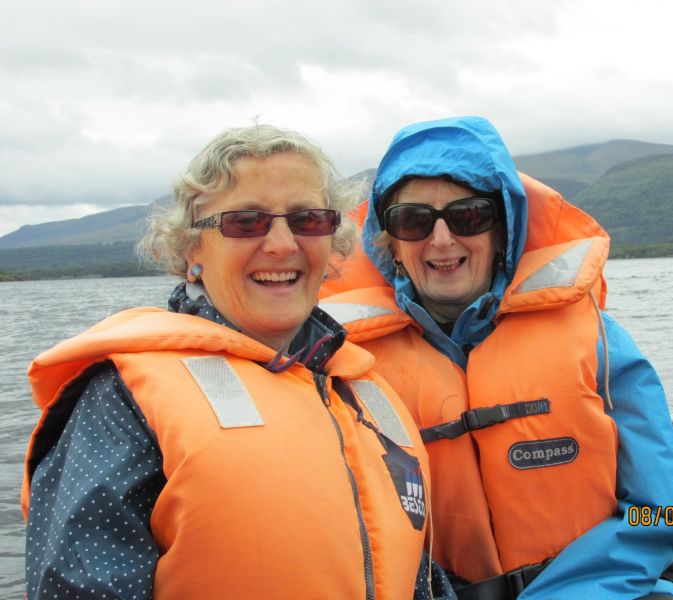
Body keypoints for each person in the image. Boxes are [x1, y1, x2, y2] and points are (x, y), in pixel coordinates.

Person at [21, 124, 449, 599]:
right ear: (191, 250)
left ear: (332, 243)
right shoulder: (123, 399)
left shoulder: (365, 392)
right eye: (246, 222)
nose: (282, 244)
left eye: (308, 220)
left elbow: (419, 577)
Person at [319, 116, 673, 599]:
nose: (441, 239)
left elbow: (663, 512)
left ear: (504, 230)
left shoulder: (599, 340)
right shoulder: (344, 368)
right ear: (388, 241)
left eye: (469, 216)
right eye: (413, 220)